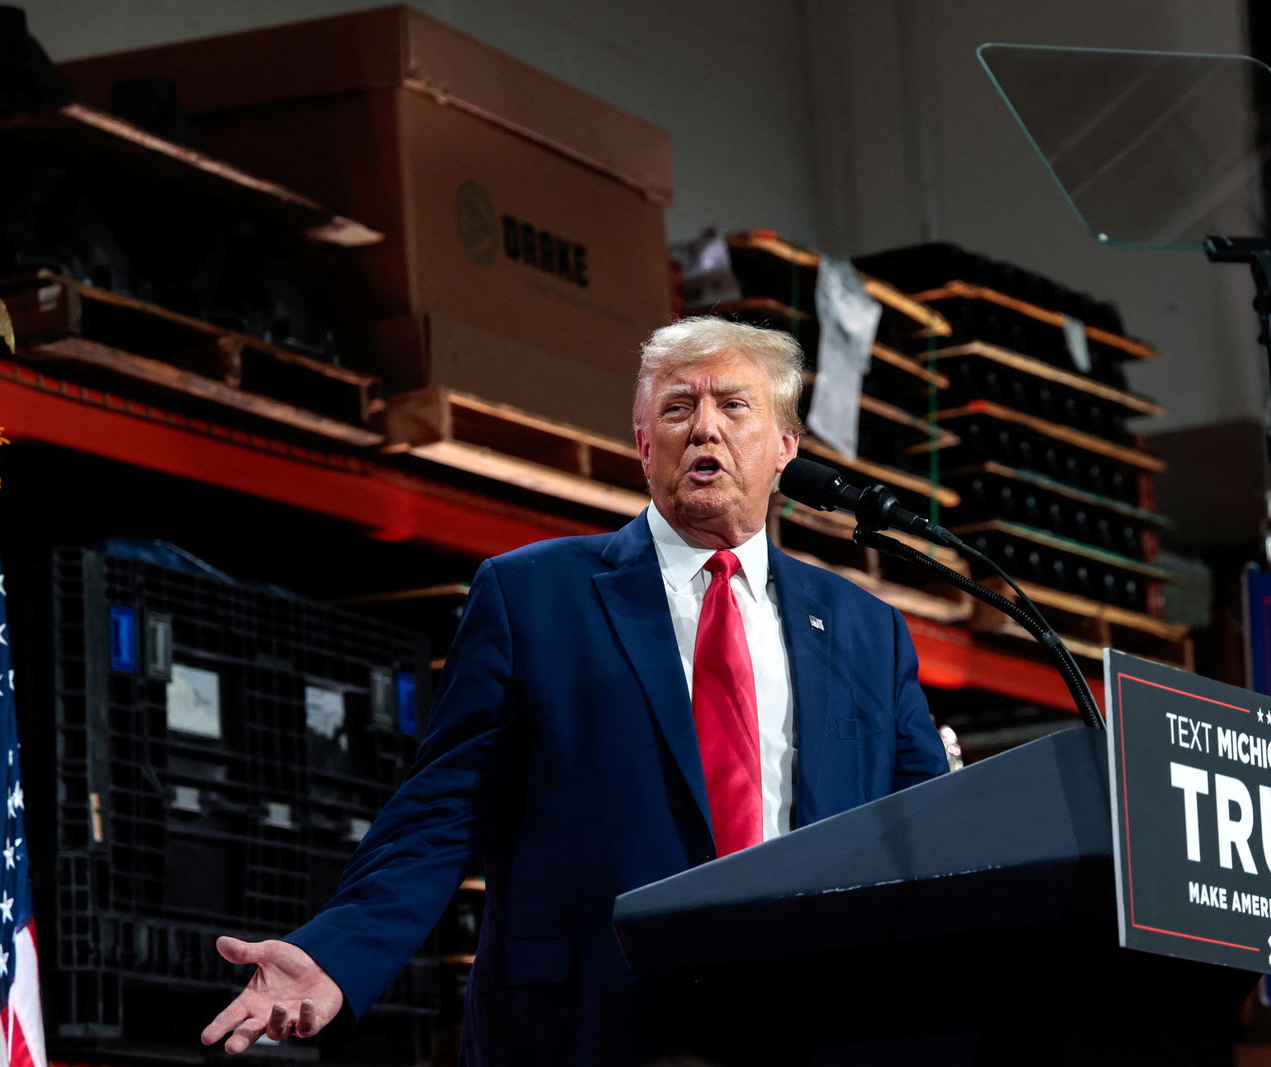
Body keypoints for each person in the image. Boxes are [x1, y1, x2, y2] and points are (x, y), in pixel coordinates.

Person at [201, 317, 949, 1065]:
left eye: (733, 405)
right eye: (678, 409)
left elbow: (930, 833)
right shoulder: (532, 595)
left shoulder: (866, 630)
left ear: (785, 445)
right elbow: (443, 807)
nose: (705, 429)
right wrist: (336, 952)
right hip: (589, 1019)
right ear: (644, 445)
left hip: (809, 1021)